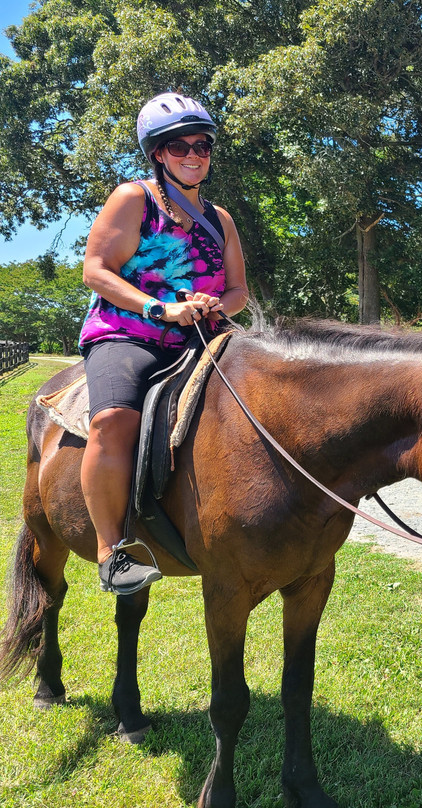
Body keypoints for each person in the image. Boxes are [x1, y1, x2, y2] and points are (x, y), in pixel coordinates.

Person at [78, 92, 248, 594]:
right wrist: (160, 308)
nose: (194, 155)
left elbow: (238, 291)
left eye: (202, 145)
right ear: (158, 153)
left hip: (204, 336)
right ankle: (112, 552)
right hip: (128, 332)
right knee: (112, 420)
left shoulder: (221, 218)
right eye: (179, 146)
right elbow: (96, 270)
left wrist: (216, 305)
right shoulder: (134, 198)